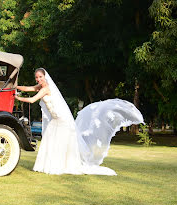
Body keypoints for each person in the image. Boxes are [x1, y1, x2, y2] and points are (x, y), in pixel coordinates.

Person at [15, 68, 143, 175]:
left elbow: (32, 100)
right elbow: (28, 88)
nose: (38, 79)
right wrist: (15, 86)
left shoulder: (46, 89)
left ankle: (60, 166)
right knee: (52, 142)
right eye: (37, 77)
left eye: (40, 77)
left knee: (61, 143)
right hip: (56, 119)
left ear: (45, 77)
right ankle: (51, 165)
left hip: (62, 120)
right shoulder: (40, 86)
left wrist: (17, 97)